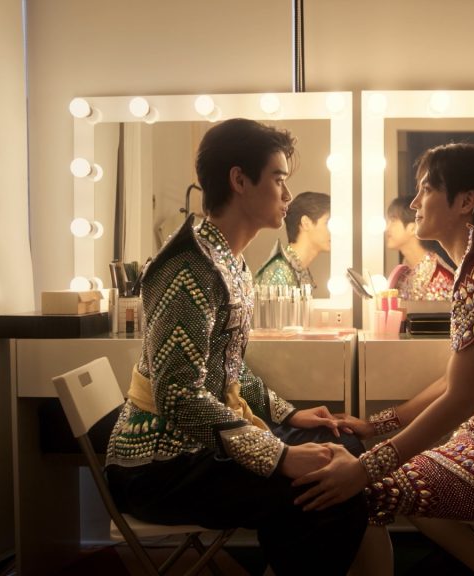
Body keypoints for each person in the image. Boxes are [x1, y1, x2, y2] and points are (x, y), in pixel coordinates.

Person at [293, 142, 474, 573]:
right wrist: (378, 425)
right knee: (398, 475)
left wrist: (364, 469)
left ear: (466, 202)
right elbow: (456, 380)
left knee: (367, 496)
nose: (414, 203)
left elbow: (461, 400)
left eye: (427, 189)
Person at [104, 118, 366, 575]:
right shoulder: (187, 266)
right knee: (332, 493)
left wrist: (288, 415)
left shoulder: (230, 262)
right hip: (159, 463)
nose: (287, 195)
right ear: (239, 180)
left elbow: (226, 368)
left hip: (198, 446)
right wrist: (279, 456)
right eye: (278, 179)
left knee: (341, 446)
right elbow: (178, 395)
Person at [384, 195, 454, 301]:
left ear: (413, 228)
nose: (387, 228)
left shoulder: (441, 278)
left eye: (393, 221)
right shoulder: (402, 274)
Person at [255, 191, 331, 288]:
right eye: (328, 223)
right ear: (306, 223)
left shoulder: (298, 270)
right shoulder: (280, 271)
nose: (334, 231)